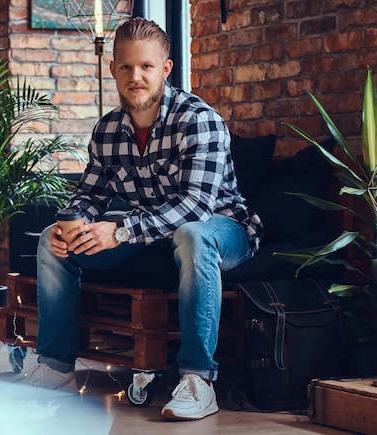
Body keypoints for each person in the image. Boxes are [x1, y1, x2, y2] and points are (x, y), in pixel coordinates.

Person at [23, 17, 263, 421]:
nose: (136, 76)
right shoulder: (107, 132)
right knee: (51, 239)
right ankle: (56, 368)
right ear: (113, 68)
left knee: (191, 234)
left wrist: (122, 231)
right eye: (127, 67)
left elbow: (196, 208)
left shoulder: (198, 120)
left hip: (222, 229)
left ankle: (199, 381)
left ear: (165, 69)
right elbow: (91, 194)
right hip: (148, 233)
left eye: (147, 67)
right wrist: (75, 223)